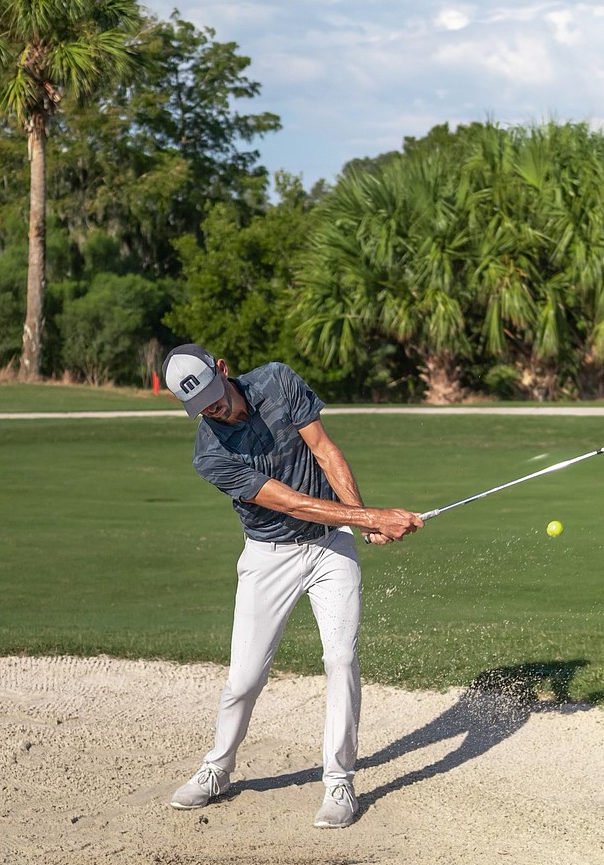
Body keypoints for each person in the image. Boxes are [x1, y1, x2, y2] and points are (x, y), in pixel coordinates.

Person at [162, 343, 424, 828]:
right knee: (244, 679)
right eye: (200, 407)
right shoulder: (209, 453)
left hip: (331, 547)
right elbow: (288, 502)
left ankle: (339, 782)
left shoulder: (278, 381)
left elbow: (324, 450)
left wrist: (361, 518)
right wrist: (372, 517)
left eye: (215, 397)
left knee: (341, 660)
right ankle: (218, 768)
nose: (213, 410)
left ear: (223, 369)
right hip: (269, 557)